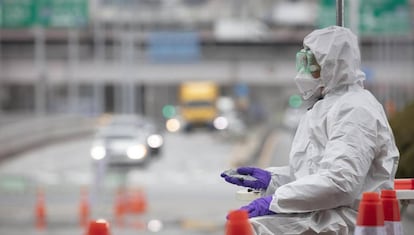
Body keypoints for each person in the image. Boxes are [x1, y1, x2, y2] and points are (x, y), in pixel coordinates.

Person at [221, 26, 400, 235]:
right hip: (328, 213)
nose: (304, 70)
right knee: (247, 226)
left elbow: (339, 183)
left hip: (354, 220)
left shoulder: (355, 109)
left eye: (310, 62)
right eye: (303, 61)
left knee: (253, 228)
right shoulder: (327, 105)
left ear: (332, 64)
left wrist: (274, 201)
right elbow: (315, 174)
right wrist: (273, 180)